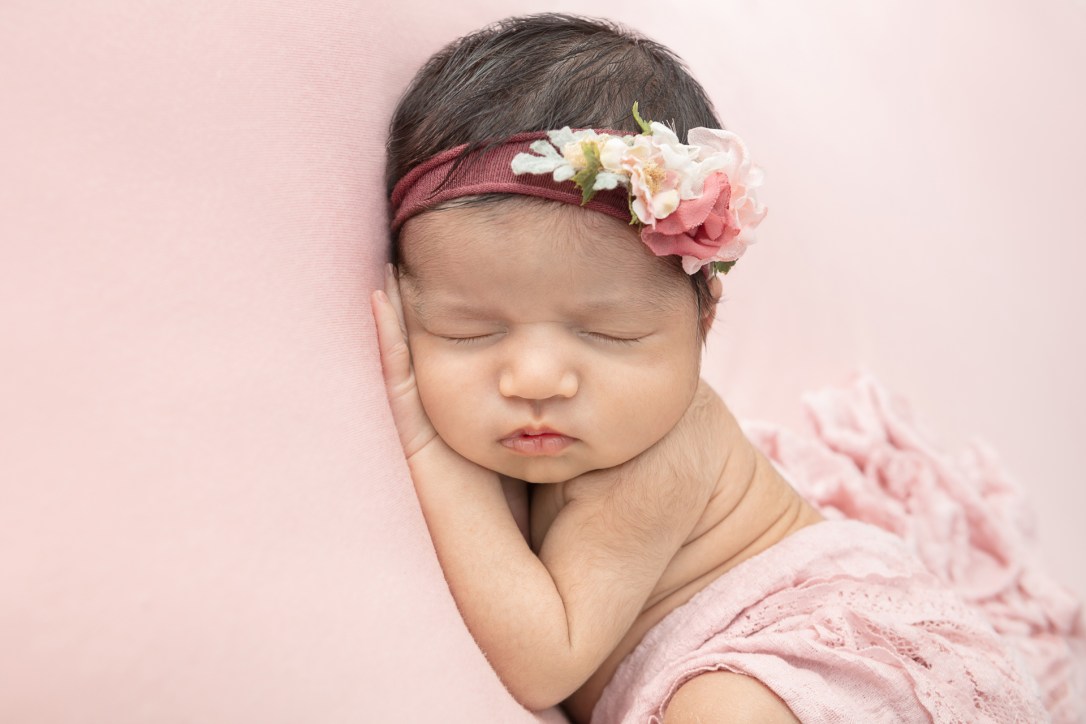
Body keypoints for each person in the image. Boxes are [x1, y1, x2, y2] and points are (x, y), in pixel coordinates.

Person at [371, 13, 1080, 723]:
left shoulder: (658, 455)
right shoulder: (582, 424)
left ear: (703, 316)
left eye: (608, 333)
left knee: (727, 710)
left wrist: (429, 448)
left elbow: (543, 661)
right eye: (468, 331)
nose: (534, 379)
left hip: (815, 643)